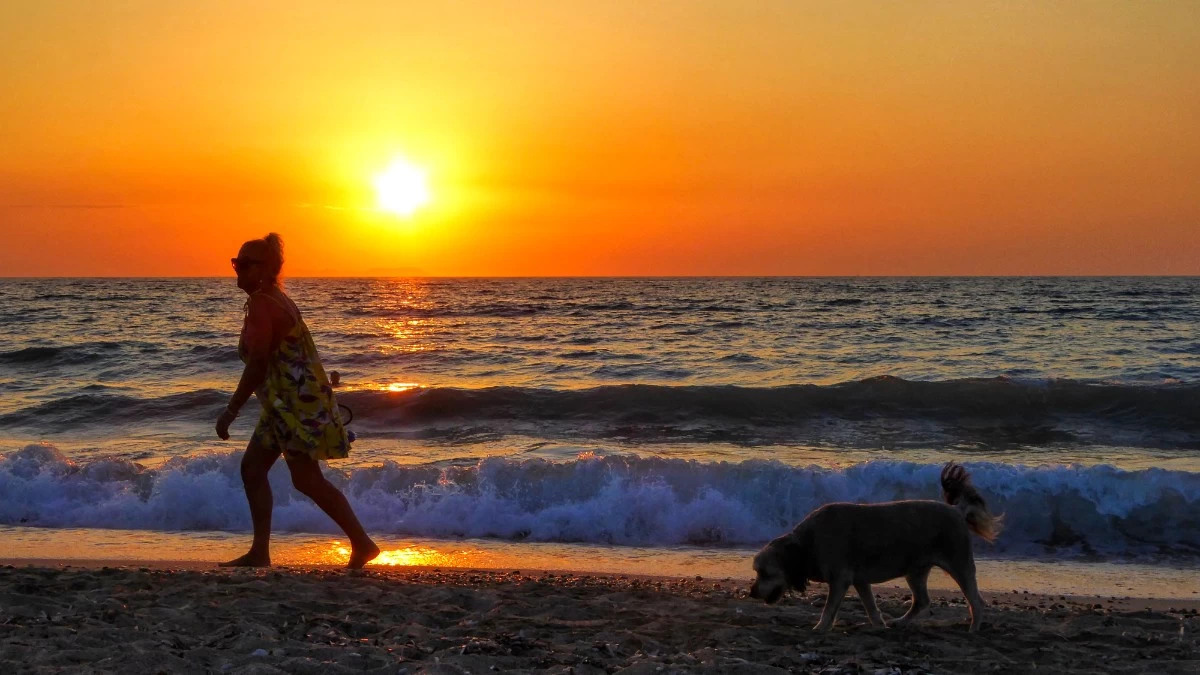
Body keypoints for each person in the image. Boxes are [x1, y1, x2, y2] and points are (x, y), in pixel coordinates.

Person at [217, 233, 379, 568]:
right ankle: (260, 551)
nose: (238, 269)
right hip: (283, 406)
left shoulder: (265, 303)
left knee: (305, 478)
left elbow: (259, 363)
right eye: (236, 262)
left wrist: (231, 410)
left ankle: (362, 543)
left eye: (245, 264)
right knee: (253, 469)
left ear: (265, 270)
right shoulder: (270, 298)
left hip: (294, 407)